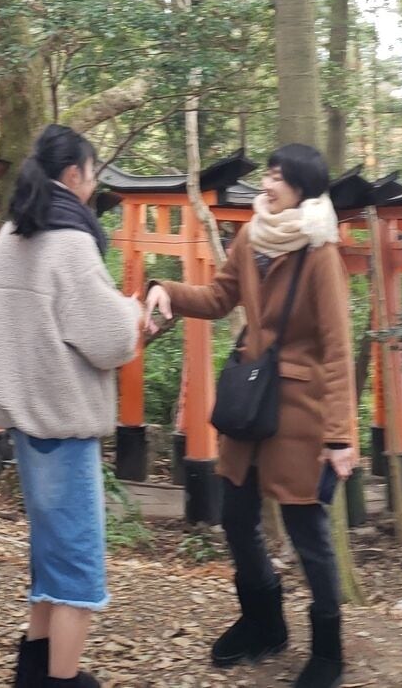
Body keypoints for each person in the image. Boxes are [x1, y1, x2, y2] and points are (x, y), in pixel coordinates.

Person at [147, 143, 355, 688]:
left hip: (302, 415)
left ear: (303, 189)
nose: (266, 185)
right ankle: (264, 622)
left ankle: (329, 650)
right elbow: (219, 298)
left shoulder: (320, 252)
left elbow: (336, 348)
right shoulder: (251, 237)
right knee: (237, 518)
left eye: (278, 179)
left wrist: (340, 436)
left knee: (307, 529)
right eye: (267, 174)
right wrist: (165, 290)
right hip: (250, 401)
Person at [0, 125, 156, 688]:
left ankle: (33, 666)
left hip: (26, 420)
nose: (93, 185)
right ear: (75, 174)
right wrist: (135, 316)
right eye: (93, 173)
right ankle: (62, 678)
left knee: (51, 557)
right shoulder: (70, 240)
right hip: (62, 418)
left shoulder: (13, 234)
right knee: (78, 570)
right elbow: (107, 338)